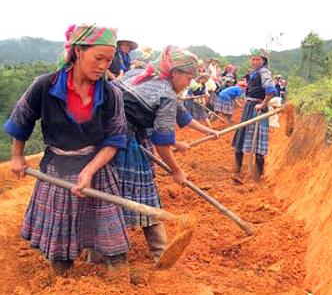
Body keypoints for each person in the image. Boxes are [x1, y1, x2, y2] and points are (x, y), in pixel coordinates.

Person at [3, 24, 130, 274]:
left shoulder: (111, 93)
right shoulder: (45, 86)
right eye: (98, 58)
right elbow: (21, 121)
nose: (104, 66)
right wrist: (17, 156)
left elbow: (115, 139)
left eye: (109, 60)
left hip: (97, 167)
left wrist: (90, 170)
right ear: (78, 52)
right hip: (57, 169)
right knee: (60, 238)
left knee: (109, 232)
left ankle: (119, 281)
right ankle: (63, 281)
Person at [113, 46, 218, 262]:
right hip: (121, 142)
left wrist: (208, 131)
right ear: (175, 73)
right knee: (143, 193)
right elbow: (161, 143)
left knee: (108, 192)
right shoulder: (166, 94)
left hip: (104, 137)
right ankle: (159, 252)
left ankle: (99, 251)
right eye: (188, 78)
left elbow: (182, 116)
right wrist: (176, 171)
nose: (189, 83)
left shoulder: (142, 76)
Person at [232, 48, 277, 182]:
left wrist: (263, 104)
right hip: (249, 108)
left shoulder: (264, 72)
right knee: (241, 135)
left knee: (257, 142)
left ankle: (257, 175)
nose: (255, 61)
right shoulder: (255, 73)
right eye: (253, 59)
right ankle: (237, 169)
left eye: (258, 59)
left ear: (263, 60)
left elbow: (270, 90)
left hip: (257, 109)